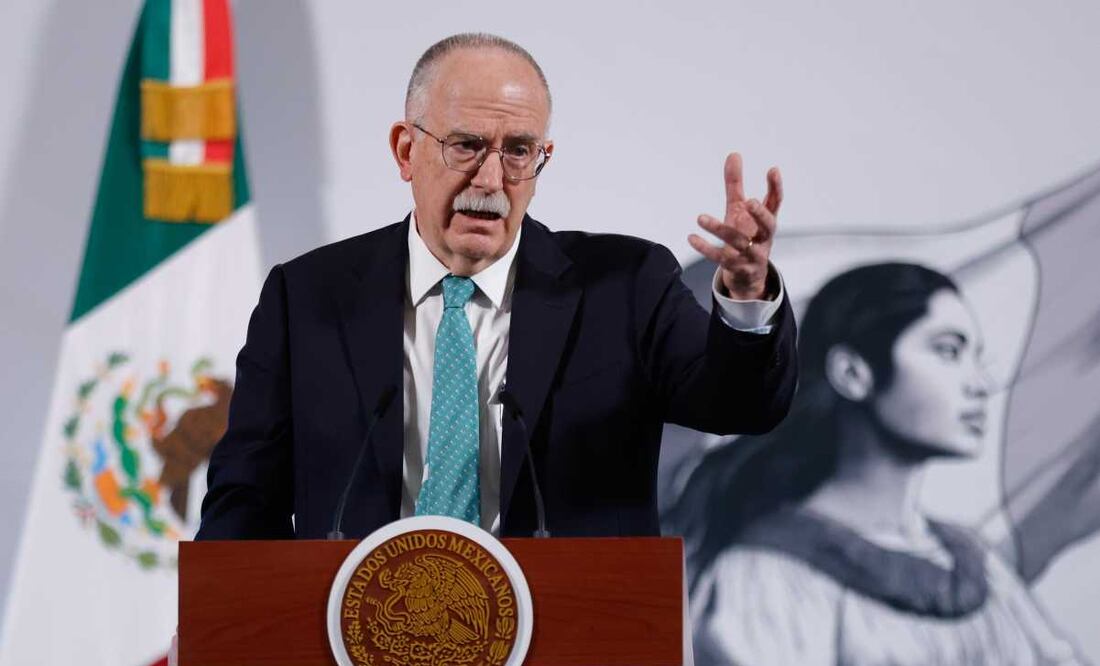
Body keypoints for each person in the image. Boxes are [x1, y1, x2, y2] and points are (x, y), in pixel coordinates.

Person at [194, 33, 798, 541]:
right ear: (407, 150)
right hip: (362, 635)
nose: (491, 178)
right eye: (466, 146)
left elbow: (741, 405)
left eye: (518, 152)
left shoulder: (625, 286)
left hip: (569, 637)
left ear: (543, 158)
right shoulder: (306, 298)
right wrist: (218, 622)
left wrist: (745, 295)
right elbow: (246, 495)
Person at [678, 262, 1084, 665]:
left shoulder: (979, 567)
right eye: (948, 351)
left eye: (975, 357)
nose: (979, 384)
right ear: (853, 373)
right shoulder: (765, 575)